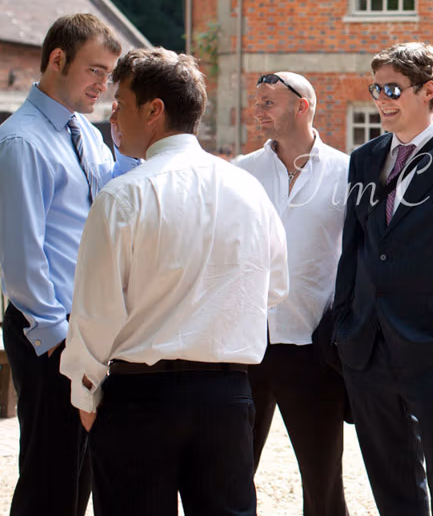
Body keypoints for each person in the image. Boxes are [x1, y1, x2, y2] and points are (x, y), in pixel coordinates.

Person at [59, 48, 289, 516]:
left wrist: (84, 392)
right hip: (225, 396)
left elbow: (95, 309)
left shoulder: (123, 196)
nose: (113, 113)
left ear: (154, 109)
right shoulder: (249, 190)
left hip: (140, 399)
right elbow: (274, 287)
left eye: (121, 102)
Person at [315, 42, 433, 516]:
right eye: (376, 87)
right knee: (391, 479)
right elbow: (353, 249)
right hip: (367, 347)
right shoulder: (363, 159)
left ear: (428, 90)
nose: (382, 98)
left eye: (393, 88)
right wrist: (345, 325)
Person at [0, 13, 140, 516]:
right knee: (49, 477)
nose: (104, 85)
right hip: (49, 332)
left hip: (86, 328)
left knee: (81, 471)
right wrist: (61, 340)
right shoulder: (21, 141)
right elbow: (20, 256)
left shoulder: (84, 128)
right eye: (96, 71)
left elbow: (110, 195)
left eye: (108, 74)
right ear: (57, 59)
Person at [233, 71, 352, 516]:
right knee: (232, 473)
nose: (258, 111)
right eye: (257, 101)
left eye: (268, 102)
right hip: (247, 345)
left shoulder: (347, 171)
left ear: (302, 106)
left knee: (323, 482)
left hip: (313, 347)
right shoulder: (242, 172)